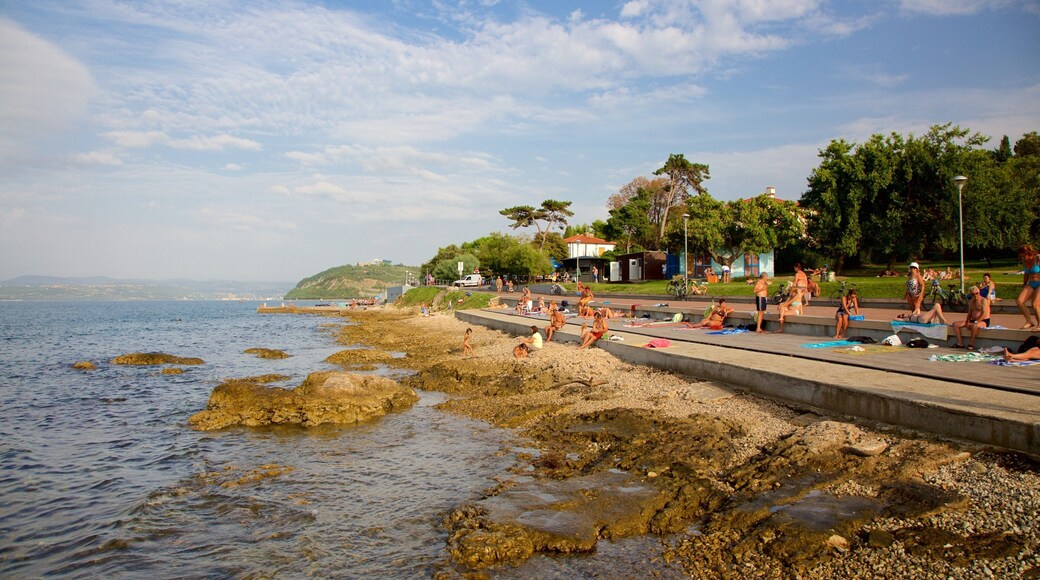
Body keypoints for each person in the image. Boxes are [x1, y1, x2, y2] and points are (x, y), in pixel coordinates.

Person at [1014, 244, 1040, 330]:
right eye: (1021, 256)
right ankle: (1029, 321)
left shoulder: (1037, 258)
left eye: (1023, 256)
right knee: (1019, 301)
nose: (1022, 258)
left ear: (1028, 253)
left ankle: (1039, 325)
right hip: (1031, 283)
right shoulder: (1025, 261)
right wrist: (1024, 284)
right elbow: (1026, 274)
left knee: (1035, 304)